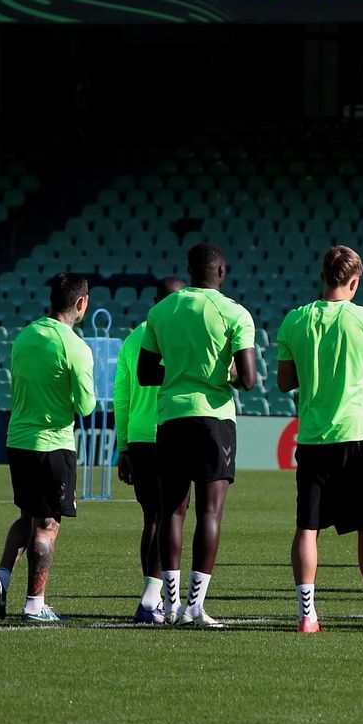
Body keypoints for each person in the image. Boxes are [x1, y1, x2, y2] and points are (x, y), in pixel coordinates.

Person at [277, 245, 363, 634]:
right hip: (357, 437)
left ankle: (307, 615)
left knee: (307, 527)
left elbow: (284, 381)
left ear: (322, 277)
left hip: (313, 438)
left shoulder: (294, 320)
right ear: (355, 281)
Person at [139, 244, 258, 629]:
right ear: (221, 271)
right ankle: (194, 607)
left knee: (172, 510)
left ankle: (171, 605)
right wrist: (220, 374)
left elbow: (146, 373)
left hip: (172, 417)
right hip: (214, 420)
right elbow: (249, 379)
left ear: (189, 270)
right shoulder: (235, 313)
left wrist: (180, 371)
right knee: (210, 511)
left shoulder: (161, 311)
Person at [0, 273, 94, 623]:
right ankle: (35, 604)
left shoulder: (25, 336)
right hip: (53, 444)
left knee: (27, 516)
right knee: (47, 525)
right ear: (81, 303)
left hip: (18, 440)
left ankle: (1, 577)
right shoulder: (75, 346)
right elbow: (86, 406)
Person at [113, 276, 186, 624]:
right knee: (168, 516)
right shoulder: (180, 334)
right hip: (170, 432)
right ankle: (151, 600)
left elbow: (122, 396)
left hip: (140, 437)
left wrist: (123, 446)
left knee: (152, 518)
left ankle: (151, 597)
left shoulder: (132, 339)